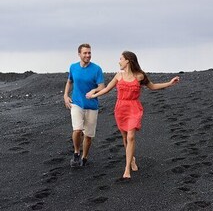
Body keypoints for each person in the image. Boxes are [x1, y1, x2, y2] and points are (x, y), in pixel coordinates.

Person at [86, 51, 179, 180]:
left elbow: (152, 86)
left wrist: (169, 83)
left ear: (128, 61)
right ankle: (132, 159)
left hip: (134, 108)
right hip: (120, 109)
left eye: (121, 59)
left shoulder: (140, 76)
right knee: (125, 138)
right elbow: (106, 89)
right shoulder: (118, 76)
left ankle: (126, 169)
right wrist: (94, 95)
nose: (119, 61)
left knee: (130, 137)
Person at [64, 43, 105, 167]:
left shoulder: (96, 69)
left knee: (88, 135)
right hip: (77, 103)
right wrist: (65, 95)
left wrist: (94, 91)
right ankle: (76, 152)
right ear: (79, 54)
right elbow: (69, 81)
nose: (88, 55)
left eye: (89, 53)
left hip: (92, 105)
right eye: (85, 53)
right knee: (77, 130)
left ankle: (85, 157)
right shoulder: (73, 67)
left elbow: (102, 86)